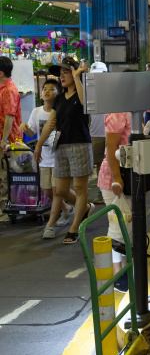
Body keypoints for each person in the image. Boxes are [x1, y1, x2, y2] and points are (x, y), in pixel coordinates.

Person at [35, 57, 94, 243]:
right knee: (59, 189)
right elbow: (49, 125)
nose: (61, 76)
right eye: (60, 74)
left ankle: (75, 228)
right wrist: (38, 145)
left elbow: (85, 104)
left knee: (79, 187)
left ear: (75, 73)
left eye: (65, 72)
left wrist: (77, 77)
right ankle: (83, 207)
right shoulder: (59, 99)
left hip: (80, 145)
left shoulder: (83, 94)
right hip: (60, 147)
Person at [20, 78, 75, 226]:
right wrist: (26, 127)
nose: (46, 91)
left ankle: (54, 220)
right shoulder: (36, 111)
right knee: (47, 190)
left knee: (58, 190)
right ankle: (67, 208)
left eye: (51, 89)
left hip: (58, 156)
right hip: (43, 158)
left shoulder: (61, 111)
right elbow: (32, 134)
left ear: (58, 93)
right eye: (45, 89)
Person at [98, 110, 132, 293]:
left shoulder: (132, 110)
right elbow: (111, 145)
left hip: (129, 176)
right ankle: (117, 273)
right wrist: (116, 177)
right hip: (115, 178)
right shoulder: (118, 111)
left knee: (127, 227)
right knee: (119, 227)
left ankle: (124, 270)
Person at [0, 55, 22, 209]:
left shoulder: (9, 90)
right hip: (4, 139)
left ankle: (7, 208)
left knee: (6, 175)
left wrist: (4, 140)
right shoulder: (3, 89)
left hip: (8, 140)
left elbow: (9, 118)